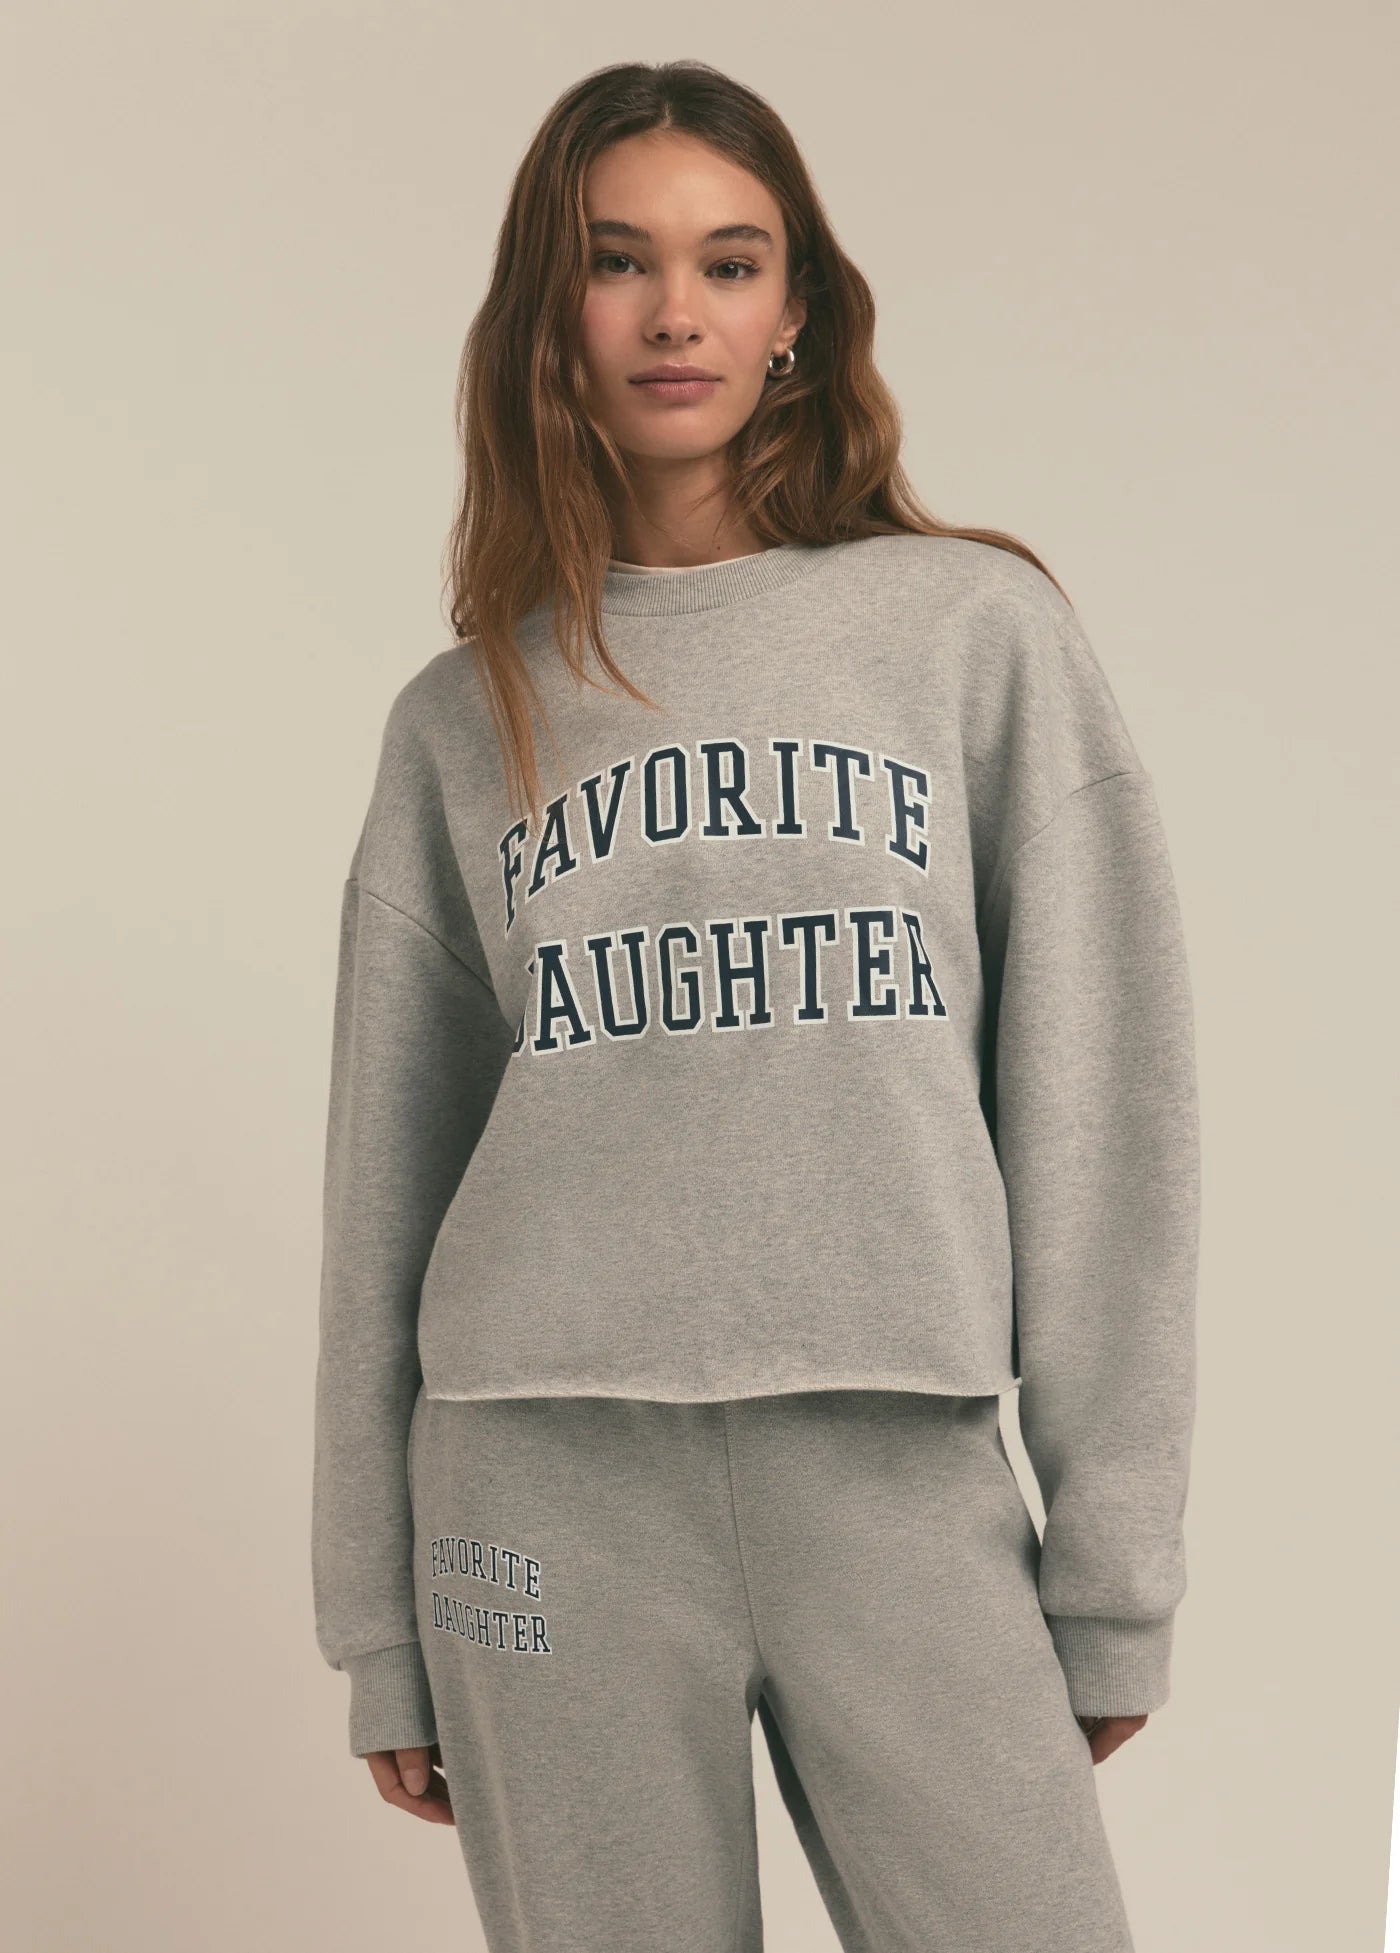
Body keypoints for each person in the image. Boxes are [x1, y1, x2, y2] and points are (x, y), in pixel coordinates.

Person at [310, 58, 1200, 1953]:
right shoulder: (462, 719)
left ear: (797, 310)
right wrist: (378, 1618)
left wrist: (1114, 1565)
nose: (676, 311)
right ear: (552, 309)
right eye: (617, 261)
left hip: (895, 1467)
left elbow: (1103, 1105)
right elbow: (387, 1182)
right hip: (533, 1486)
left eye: (728, 262)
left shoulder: (970, 634)